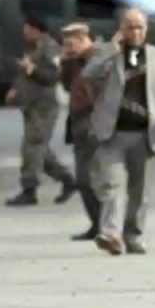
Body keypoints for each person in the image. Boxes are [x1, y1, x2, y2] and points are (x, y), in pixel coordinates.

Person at [82, 9, 155, 256]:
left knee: (140, 192)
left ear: (146, 30)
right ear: (120, 29)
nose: (135, 32)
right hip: (112, 133)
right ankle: (111, 235)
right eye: (130, 27)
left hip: (146, 133)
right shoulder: (106, 54)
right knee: (112, 186)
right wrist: (111, 52)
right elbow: (88, 74)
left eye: (139, 27)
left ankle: (133, 236)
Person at [5, 17, 77, 207]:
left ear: (36, 29)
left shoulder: (50, 48)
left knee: (33, 148)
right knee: (40, 149)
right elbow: (26, 74)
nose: (24, 32)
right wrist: (16, 89)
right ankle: (68, 180)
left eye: (27, 29)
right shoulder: (34, 47)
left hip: (43, 107)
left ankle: (29, 190)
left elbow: (54, 76)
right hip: (31, 105)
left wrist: (32, 69)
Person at [59, 23, 104, 241]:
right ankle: (97, 224)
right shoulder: (75, 61)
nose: (68, 48)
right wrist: (66, 61)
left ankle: (108, 224)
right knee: (83, 179)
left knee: (92, 178)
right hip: (78, 123)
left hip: (95, 121)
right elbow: (67, 86)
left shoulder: (100, 58)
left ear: (83, 38)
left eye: (70, 43)